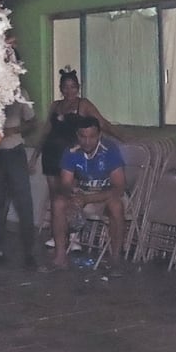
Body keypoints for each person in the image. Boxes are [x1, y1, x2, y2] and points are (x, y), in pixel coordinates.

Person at [47, 116, 126, 272]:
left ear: (99, 135)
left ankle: (116, 259)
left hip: (106, 195)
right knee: (58, 203)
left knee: (116, 206)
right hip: (83, 194)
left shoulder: (110, 150)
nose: (87, 141)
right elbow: (65, 183)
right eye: (83, 137)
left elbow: (119, 188)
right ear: (77, 136)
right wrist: (71, 192)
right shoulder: (71, 151)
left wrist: (88, 198)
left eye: (92, 137)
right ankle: (60, 256)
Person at [33, 68, 123, 203]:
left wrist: (122, 137)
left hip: (72, 156)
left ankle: (73, 223)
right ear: (60, 89)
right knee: (54, 196)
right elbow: (46, 131)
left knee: (71, 194)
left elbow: (102, 123)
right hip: (51, 154)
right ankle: (56, 222)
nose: (69, 91)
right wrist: (34, 157)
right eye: (66, 87)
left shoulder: (84, 104)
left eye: (73, 87)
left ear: (78, 88)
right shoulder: (55, 105)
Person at [0, 87, 37, 269]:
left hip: (14, 152)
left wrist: (13, 129)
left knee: (24, 203)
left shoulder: (19, 93)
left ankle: (30, 253)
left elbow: (32, 122)